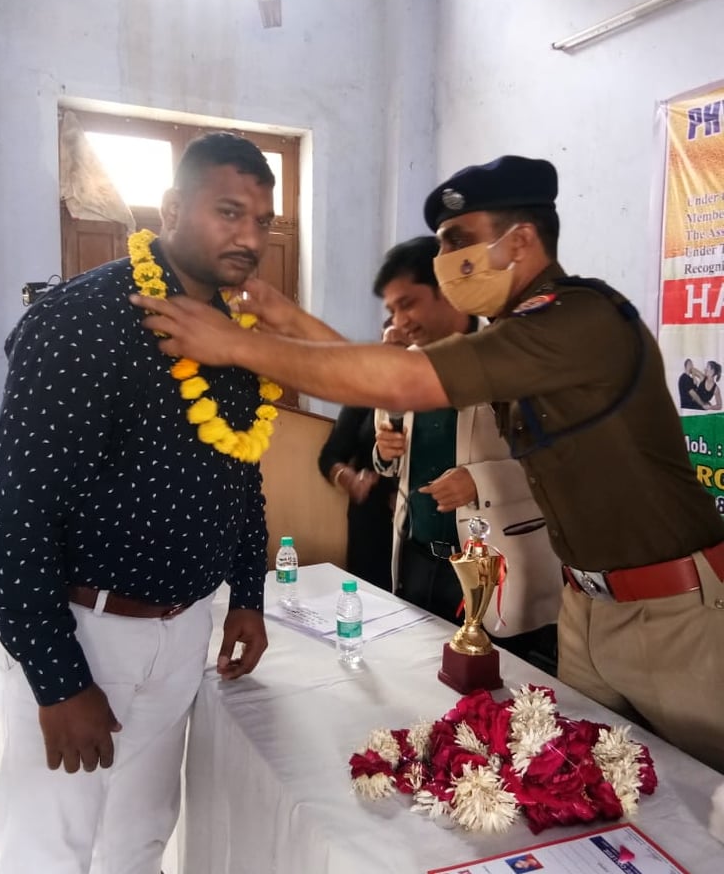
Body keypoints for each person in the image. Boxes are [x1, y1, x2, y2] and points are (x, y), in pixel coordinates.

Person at [128, 154, 724, 774]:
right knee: (582, 783)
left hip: (674, 610)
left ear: (520, 240)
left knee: (703, 807)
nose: (444, 263)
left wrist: (237, 343)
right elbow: (392, 377)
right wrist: (286, 318)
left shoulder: (576, 320)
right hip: (587, 606)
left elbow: (408, 378)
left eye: (458, 242)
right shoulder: (515, 333)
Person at [0, 132, 275, 874]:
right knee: (51, 843)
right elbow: (10, 513)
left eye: (263, 220)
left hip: (180, 630)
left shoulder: (238, 337)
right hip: (82, 625)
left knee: (140, 835)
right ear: (173, 208)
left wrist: (247, 594)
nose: (248, 236)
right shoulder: (82, 322)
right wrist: (57, 676)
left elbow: (241, 474)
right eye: (228, 211)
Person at [371, 236, 561, 671]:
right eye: (393, 310)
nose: (398, 322)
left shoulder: (509, 354)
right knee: (416, 682)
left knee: (490, 700)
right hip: (417, 554)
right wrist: (385, 449)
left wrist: (479, 481)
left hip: (489, 562)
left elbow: (554, 460)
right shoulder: (405, 362)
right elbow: (386, 457)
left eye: (408, 305)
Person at [317, 321, 403, 591]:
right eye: (388, 348)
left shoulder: (435, 397)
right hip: (371, 523)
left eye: (403, 348)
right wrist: (350, 480)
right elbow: (330, 456)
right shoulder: (365, 393)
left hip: (421, 529)